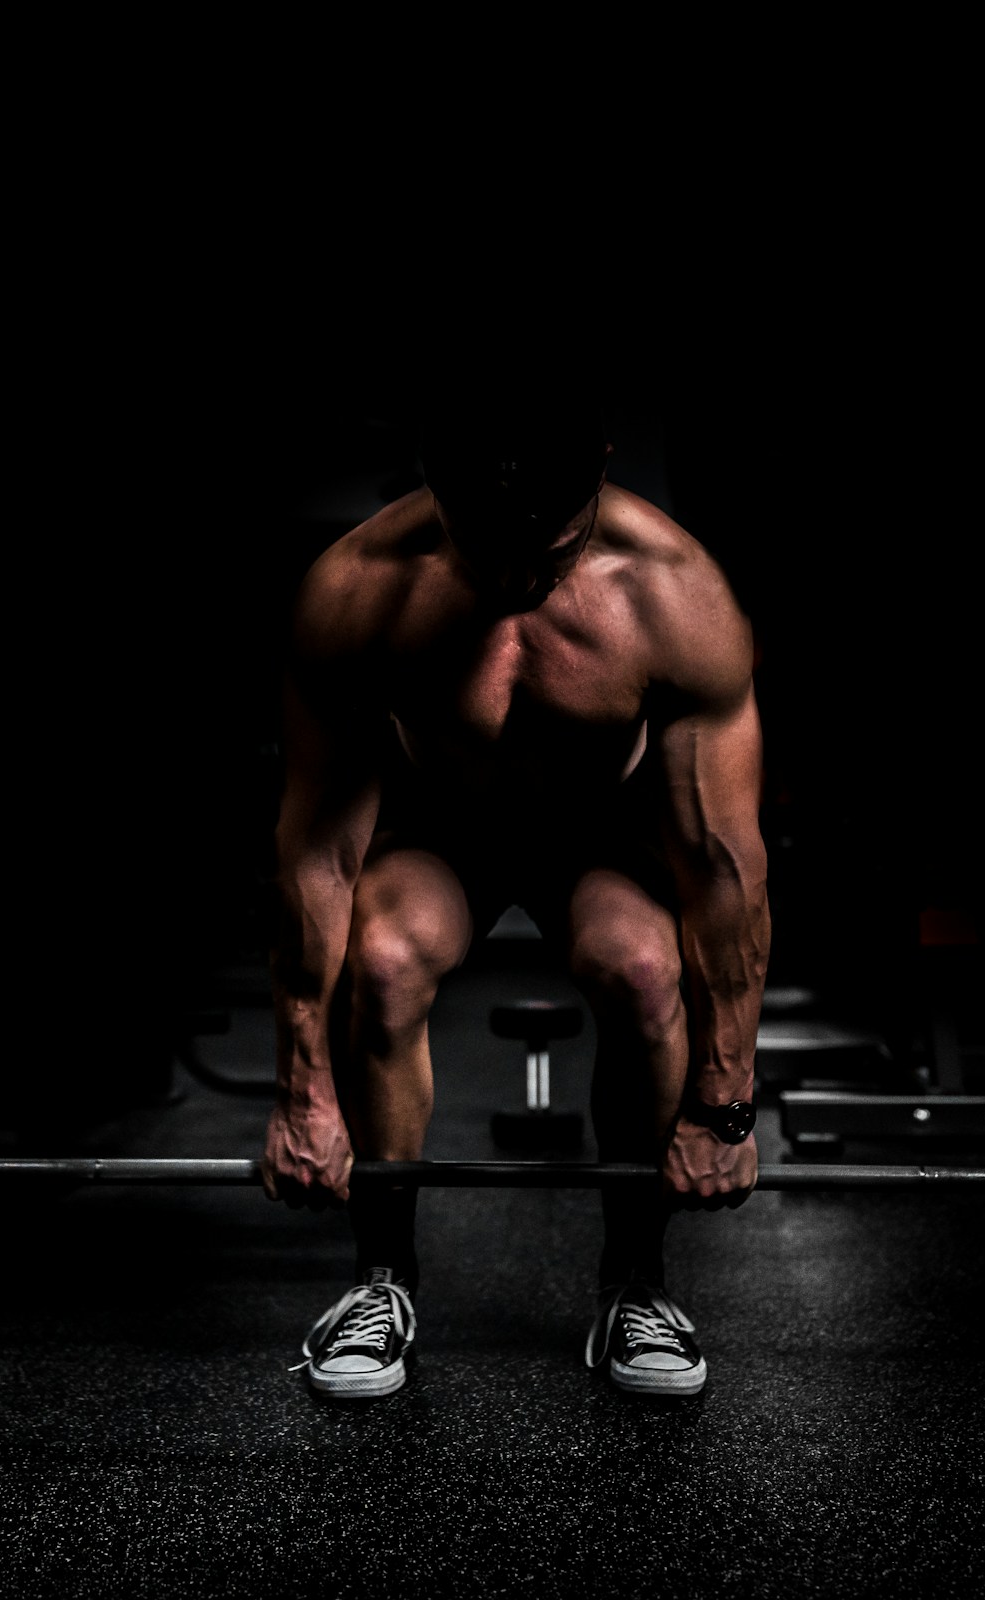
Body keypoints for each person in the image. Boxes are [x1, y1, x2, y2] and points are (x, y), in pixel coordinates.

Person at [263, 395, 769, 1399]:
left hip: (606, 840)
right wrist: (301, 1090)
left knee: (643, 967)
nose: (515, 576)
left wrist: (723, 1108)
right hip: (444, 834)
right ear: (430, 481)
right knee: (382, 957)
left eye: (553, 543)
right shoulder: (359, 589)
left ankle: (635, 1283)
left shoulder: (675, 594)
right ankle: (381, 1280)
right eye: (484, 543)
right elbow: (318, 849)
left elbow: (720, 867)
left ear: (600, 473)